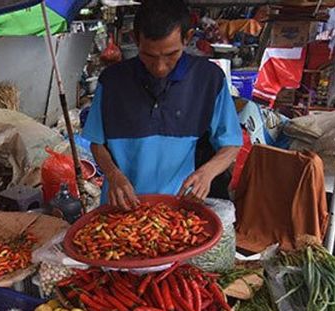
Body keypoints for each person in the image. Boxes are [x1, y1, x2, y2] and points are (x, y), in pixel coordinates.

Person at [82, 0, 242, 210]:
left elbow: (231, 144)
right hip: (121, 207)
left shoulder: (208, 80)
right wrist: (113, 174)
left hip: (176, 210)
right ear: (135, 40)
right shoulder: (111, 82)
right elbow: (96, 142)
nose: (159, 67)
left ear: (188, 38)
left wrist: (206, 173)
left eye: (170, 55)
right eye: (149, 56)